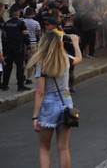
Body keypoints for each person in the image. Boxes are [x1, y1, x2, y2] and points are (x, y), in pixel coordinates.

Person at [29, 30, 83, 168]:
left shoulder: (41, 63)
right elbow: (80, 58)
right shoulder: (66, 59)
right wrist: (75, 43)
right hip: (66, 103)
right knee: (63, 148)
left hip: (48, 105)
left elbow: (40, 92)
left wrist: (35, 117)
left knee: (44, 147)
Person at [2, 5, 30, 91]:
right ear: (18, 13)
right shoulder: (21, 23)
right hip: (19, 48)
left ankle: (5, 85)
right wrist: (28, 46)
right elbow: (26, 35)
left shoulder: (7, 23)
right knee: (20, 67)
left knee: (8, 67)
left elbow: (4, 36)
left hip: (8, 48)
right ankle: (20, 86)